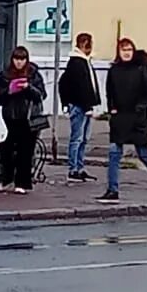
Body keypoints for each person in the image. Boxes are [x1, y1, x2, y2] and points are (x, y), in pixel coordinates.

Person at [98, 38, 147, 204]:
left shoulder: (141, 69)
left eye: (129, 49)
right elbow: (110, 92)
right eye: (123, 50)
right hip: (120, 117)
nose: (127, 53)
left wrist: (141, 107)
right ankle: (112, 190)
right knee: (114, 153)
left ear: (133, 51)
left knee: (143, 154)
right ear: (118, 52)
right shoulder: (114, 70)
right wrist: (112, 109)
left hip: (137, 119)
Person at [0, 46, 47, 194]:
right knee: (6, 151)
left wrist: (28, 87)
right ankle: (6, 179)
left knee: (26, 152)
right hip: (9, 117)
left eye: (22, 59)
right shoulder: (4, 75)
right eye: (16, 59)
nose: (19, 62)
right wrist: (9, 91)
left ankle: (22, 183)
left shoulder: (33, 74)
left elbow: (41, 95)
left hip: (27, 118)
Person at [59, 32, 101, 183]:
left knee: (83, 139)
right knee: (77, 138)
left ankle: (79, 167)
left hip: (85, 105)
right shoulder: (77, 63)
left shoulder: (84, 61)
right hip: (80, 106)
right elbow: (80, 87)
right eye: (88, 44)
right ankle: (73, 169)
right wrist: (84, 104)